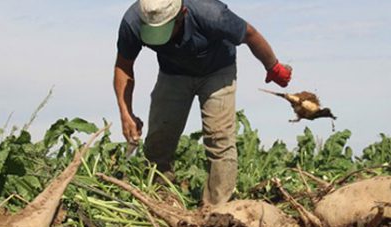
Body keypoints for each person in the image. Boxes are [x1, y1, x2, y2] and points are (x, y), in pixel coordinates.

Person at [113, 0, 292, 207]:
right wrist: (126, 112)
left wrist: (273, 66)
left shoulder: (211, 13)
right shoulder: (134, 20)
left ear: (182, 15)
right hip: (173, 73)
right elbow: (123, 66)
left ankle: (216, 209)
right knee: (158, 140)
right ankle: (160, 200)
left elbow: (250, 34)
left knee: (219, 138)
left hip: (218, 70)